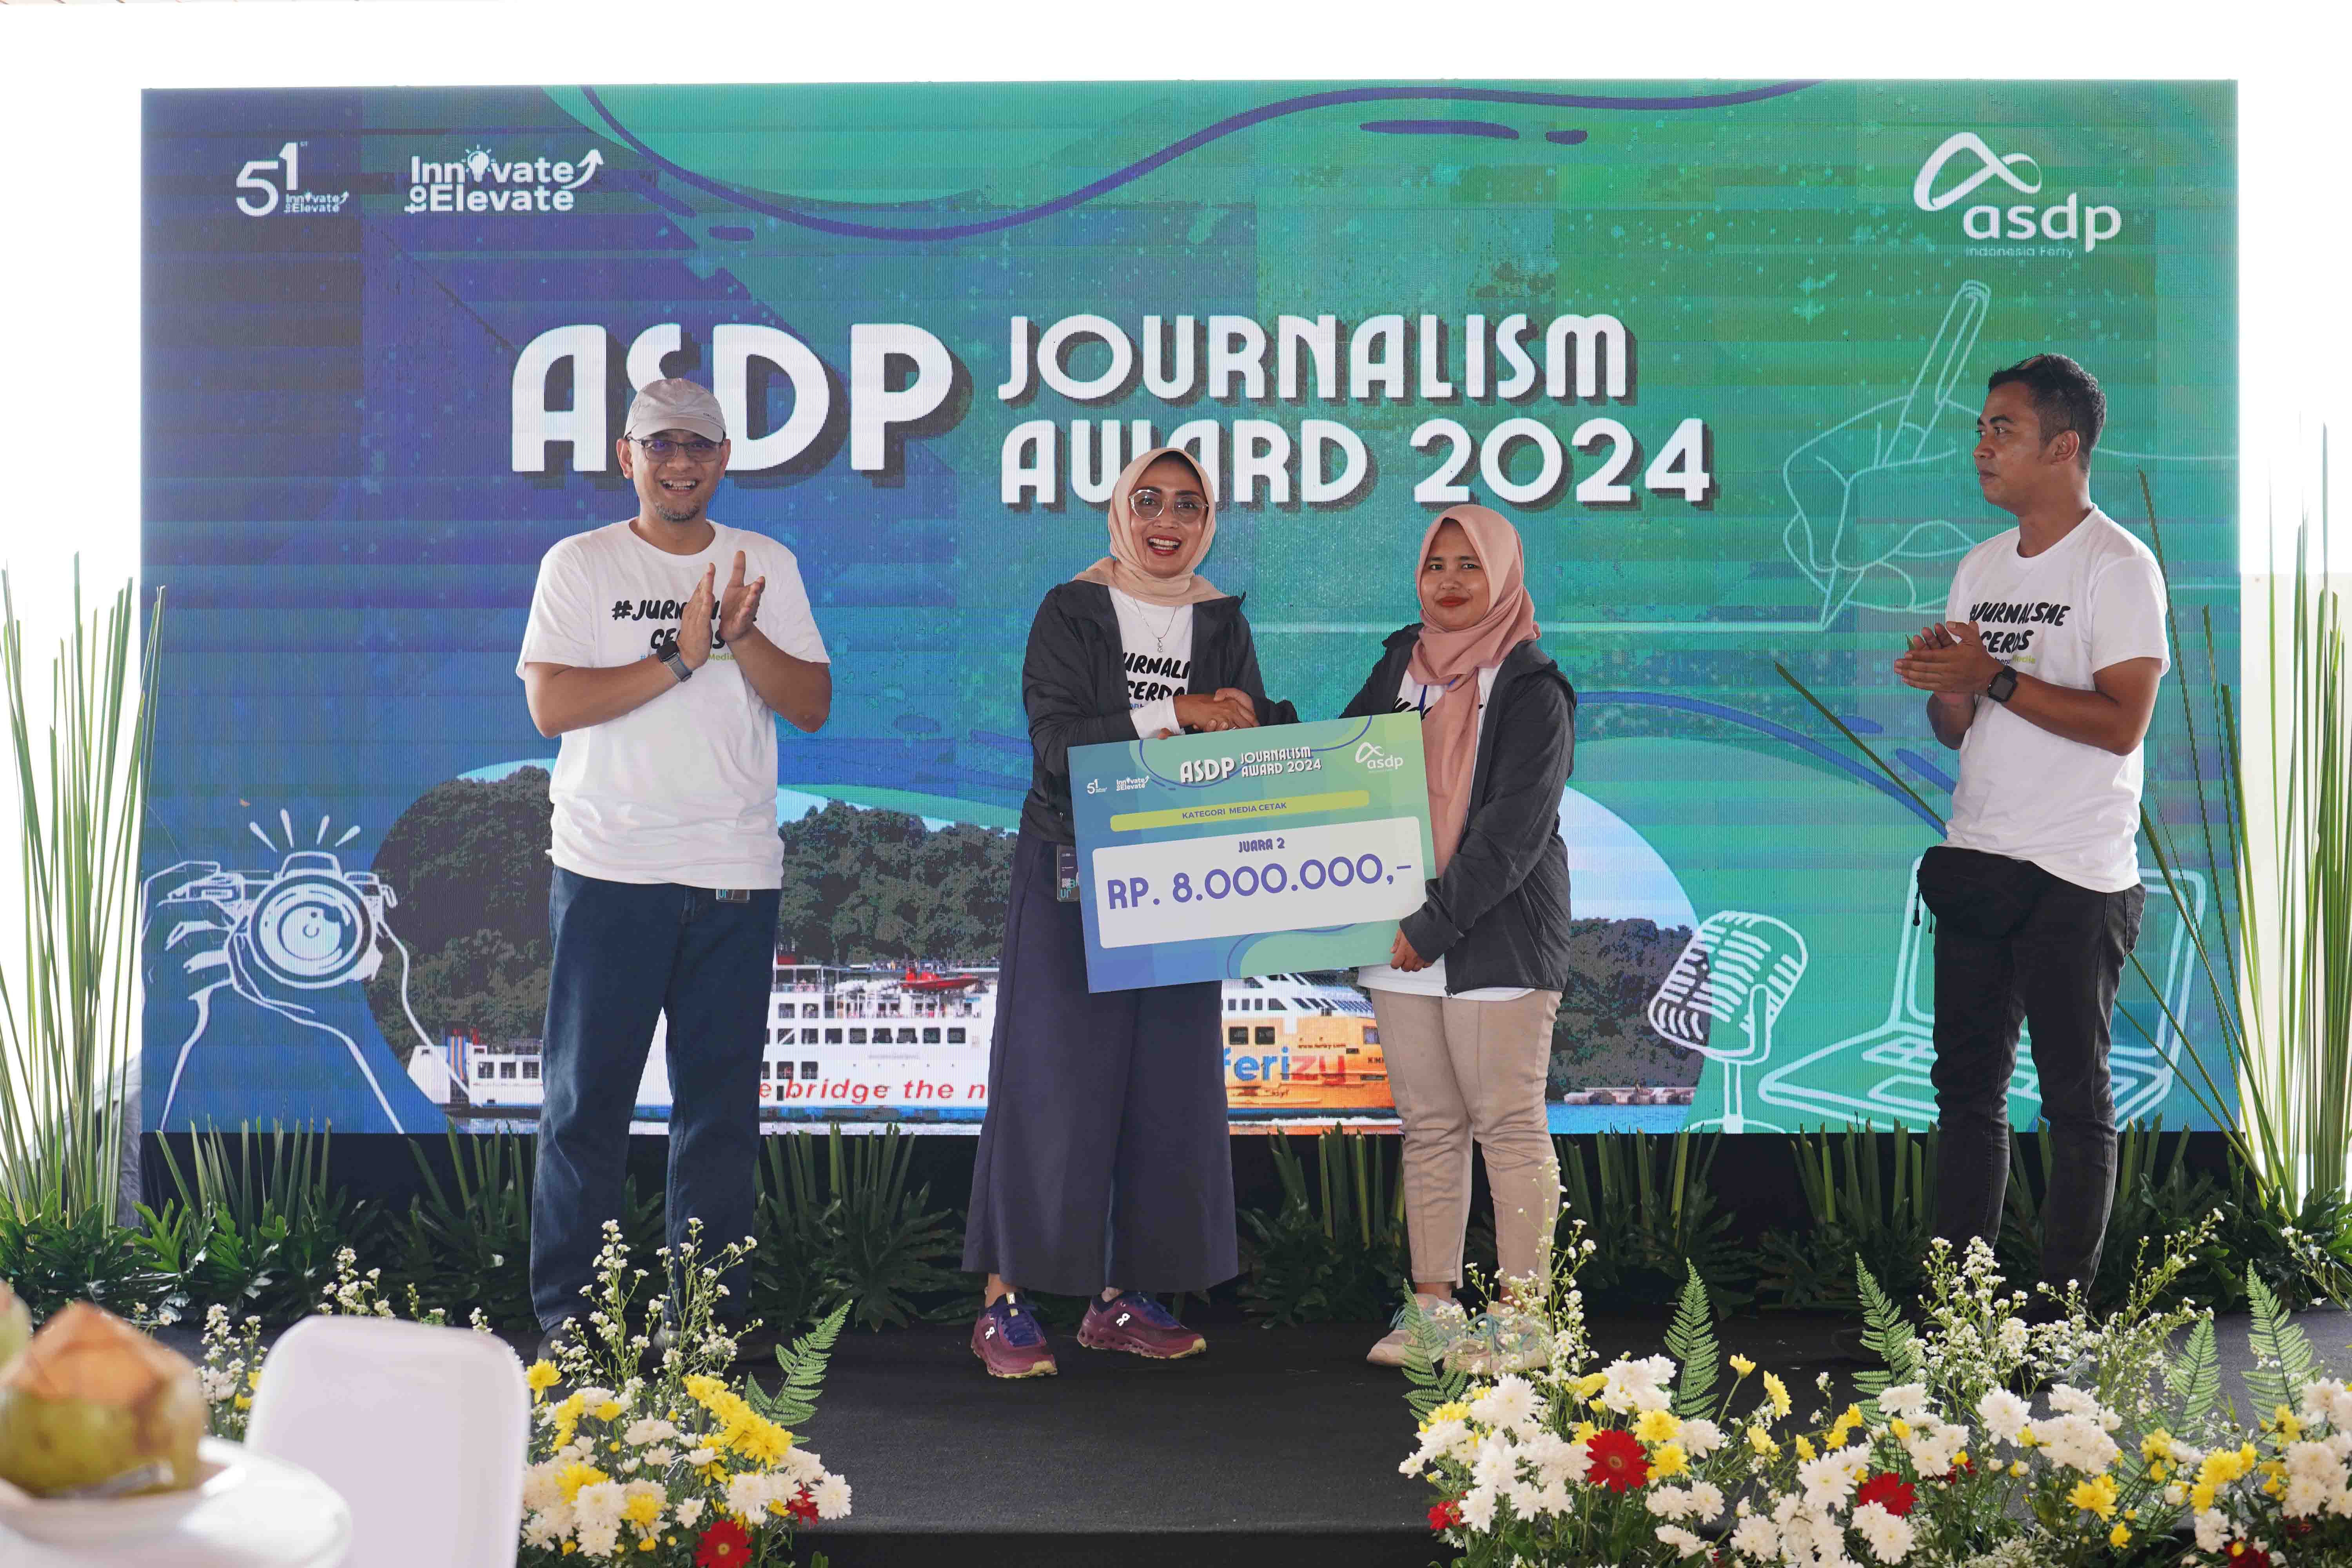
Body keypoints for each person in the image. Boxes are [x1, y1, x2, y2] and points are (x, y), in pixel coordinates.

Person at [516, 378, 833, 1358]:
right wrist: (682, 657)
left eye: (699, 445)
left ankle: (710, 1316)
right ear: (628, 456)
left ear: (725, 459)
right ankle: (575, 1318)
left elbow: (812, 703)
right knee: (586, 1105)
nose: (680, 463)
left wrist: (742, 635)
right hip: (609, 867)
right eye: (661, 445)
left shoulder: (765, 562)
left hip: (735, 867)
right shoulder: (580, 563)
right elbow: (552, 706)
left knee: (719, 1112)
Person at [962, 446, 1289, 1379]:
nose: (1166, 519)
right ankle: (1004, 1303)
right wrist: (1176, 710)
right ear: (1119, 510)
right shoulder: (1071, 608)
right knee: (1051, 1080)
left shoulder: (1221, 617)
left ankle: (1121, 1297)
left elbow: (1241, 741)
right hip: (1072, 863)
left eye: (1187, 504)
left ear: (1208, 520)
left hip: (1180, 870)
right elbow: (1059, 746)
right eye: (1148, 499)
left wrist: (1258, 722)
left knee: (1165, 1090)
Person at [1894, 352, 2168, 1309]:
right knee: (1967, 1096)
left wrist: (1997, 676)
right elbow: (1958, 727)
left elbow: (2123, 723)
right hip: (1981, 857)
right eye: (1979, 428)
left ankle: (2056, 1320)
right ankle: (1961, 1317)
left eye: (2002, 429)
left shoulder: (2117, 565)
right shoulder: (1980, 565)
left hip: (2078, 873)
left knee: (2074, 1104)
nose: (1981, 446)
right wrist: (1949, 684)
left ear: (2064, 446)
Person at [1345, 505, 1578, 1373]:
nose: (1449, 582)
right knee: (1430, 1126)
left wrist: (1434, 924)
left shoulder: (1534, 687)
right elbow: (1334, 762)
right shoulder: (1398, 669)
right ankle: (1434, 1311)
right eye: (1436, 565)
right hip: (1398, 932)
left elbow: (1514, 831)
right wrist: (1247, 729)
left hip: (1495, 935)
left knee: (1507, 1125)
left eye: (1469, 565)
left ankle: (1525, 1321)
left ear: (1504, 576)